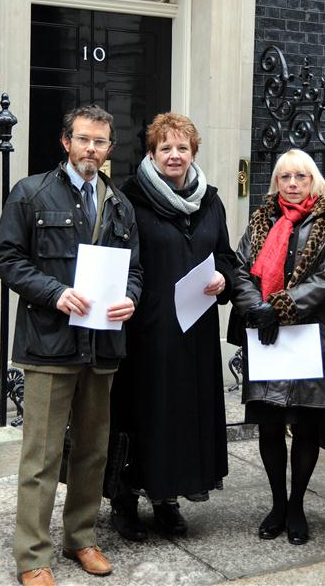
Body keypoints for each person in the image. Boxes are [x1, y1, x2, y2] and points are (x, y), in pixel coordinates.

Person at [0, 105, 142, 586]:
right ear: (66, 142)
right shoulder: (31, 193)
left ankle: (81, 538)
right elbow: (7, 259)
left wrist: (131, 298)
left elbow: (135, 270)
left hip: (101, 348)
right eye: (83, 139)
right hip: (49, 346)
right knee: (41, 457)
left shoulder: (119, 205)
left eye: (100, 142)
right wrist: (55, 293)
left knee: (93, 452)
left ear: (109, 148)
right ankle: (32, 556)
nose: (91, 149)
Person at [109, 112, 235, 540]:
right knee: (142, 414)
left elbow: (225, 255)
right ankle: (125, 499)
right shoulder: (129, 198)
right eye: (166, 147)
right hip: (146, 329)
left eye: (183, 147)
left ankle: (167, 499)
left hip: (195, 329)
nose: (174, 155)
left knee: (181, 415)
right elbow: (121, 260)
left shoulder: (210, 201)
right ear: (152, 153)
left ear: (193, 153)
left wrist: (223, 278)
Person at [230, 149, 325, 544]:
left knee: (305, 428)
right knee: (269, 426)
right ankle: (278, 504)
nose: (293, 183)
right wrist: (256, 308)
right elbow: (239, 269)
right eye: (285, 177)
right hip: (266, 338)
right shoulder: (262, 219)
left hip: (310, 339)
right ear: (276, 183)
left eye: (301, 176)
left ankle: (297, 504)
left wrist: (279, 307)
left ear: (313, 180)